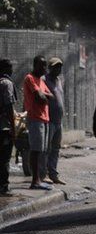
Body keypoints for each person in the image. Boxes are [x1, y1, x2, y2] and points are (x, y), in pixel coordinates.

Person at [23, 55, 53, 190]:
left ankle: (39, 179)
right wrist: (43, 96)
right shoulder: (29, 78)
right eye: (42, 65)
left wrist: (43, 95)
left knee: (42, 150)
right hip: (35, 117)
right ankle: (35, 181)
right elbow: (40, 98)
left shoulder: (41, 81)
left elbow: (51, 96)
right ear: (35, 65)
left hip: (44, 118)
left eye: (45, 65)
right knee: (35, 150)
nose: (45, 68)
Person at [41, 57, 66, 185]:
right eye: (56, 66)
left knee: (56, 148)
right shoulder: (44, 80)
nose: (58, 69)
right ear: (50, 67)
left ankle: (53, 174)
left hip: (58, 121)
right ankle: (43, 174)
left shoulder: (59, 80)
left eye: (60, 66)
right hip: (48, 119)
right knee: (46, 148)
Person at [0, 59, 15, 197]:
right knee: (4, 158)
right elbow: (9, 106)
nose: (12, 70)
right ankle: (4, 187)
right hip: (4, 128)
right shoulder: (7, 83)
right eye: (10, 67)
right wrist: (14, 127)